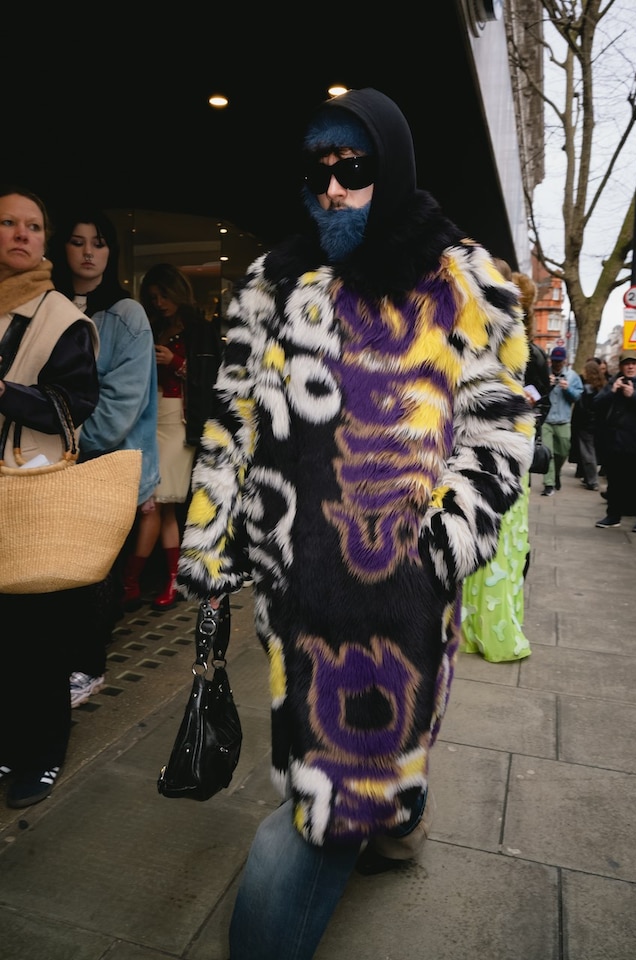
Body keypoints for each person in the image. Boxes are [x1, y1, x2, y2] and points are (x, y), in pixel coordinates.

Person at [175, 88, 535, 960]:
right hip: (291, 595)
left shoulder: (462, 277)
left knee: (309, 821)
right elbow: (232, 420)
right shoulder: (273, 282)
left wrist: (436, 548)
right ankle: (395, 819)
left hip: (394, 603)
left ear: (394, 168)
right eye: (319, 172)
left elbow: (501, 421)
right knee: (332, 767)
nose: (333, 189)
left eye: (355, 169)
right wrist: (215, 544)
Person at [0, 185, 99, 807]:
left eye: (33, 227)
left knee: (36, 632)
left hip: (33, 492)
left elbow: (75, 405)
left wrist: (4, 391)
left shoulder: (61, 316)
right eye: (7, 223)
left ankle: (41, 753)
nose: (20, 234)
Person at [49, 209, 160, 707]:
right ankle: (62, 661)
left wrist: (55, 439)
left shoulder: (126, 314)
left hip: (104, 462)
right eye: (77, 242)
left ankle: (87, 666)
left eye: (98, 243)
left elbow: (121, 408)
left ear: (111, 252)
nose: (88, 252)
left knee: (96, 571)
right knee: (56, 569)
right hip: (54, 466)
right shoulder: (46, 306)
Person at [122, 263, 222, 611]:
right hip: (152, 421)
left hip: (180, 425)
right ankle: (162, 582)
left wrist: (175, 361)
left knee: (156, 503)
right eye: (154, 297)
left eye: (164, 295)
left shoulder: (200, 330)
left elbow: (213, 378)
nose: (160, 302)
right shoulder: (155, 327)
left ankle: (134, 584)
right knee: (160, 509)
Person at [460, 269, 546, 662]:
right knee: (481, 539)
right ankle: (478, 629)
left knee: (502, 546)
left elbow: (536, 409)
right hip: (477, 456)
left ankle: (490, 629)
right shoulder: (473, 345)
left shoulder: (530, 354)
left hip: (509, 456)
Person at [593, 349, 636, 531]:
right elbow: (596, 404)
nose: (630, 367)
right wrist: (612, 392)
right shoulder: (614, 382)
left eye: (634, 363)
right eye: (627, 363)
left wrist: (633, 396)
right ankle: (613, 515)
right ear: (621, 366)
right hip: (615, 443)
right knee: (615, 482)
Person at [540, 345, 583, 496]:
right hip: (547, 421)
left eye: (560, 361)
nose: (557, 364)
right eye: (554, 361)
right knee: (548, 453)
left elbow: (577, 397)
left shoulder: (572, 376)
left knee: (563, 452)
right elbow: (537, 395)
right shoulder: (545, 374)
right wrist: (547, 385)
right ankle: (549, 483)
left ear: (565, 361)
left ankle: (556, 473)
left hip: (564, 420)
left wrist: (568, 389)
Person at [570, 358, 606, 492]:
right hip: (597, 425)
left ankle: (592, 480)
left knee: (587, 453)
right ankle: (589, 478)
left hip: (585, 425)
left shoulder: (587, 388)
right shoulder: (602, 386)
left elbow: (582, 408)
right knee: (592, 451)